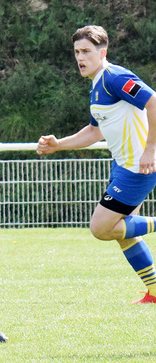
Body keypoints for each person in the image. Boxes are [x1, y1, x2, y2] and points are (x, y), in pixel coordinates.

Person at [37, 24, 156, 303]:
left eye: (86, 51)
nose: (80, 57)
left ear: (102, 52)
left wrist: (151, 149)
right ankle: (155, 292)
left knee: (101, 228)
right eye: (77, 52)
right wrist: (58, 144)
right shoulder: (97, 86)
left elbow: (154, 103)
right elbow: (94, 132)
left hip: (138, 167)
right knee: (124, 232)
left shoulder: (115, 77)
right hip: (124, 166)